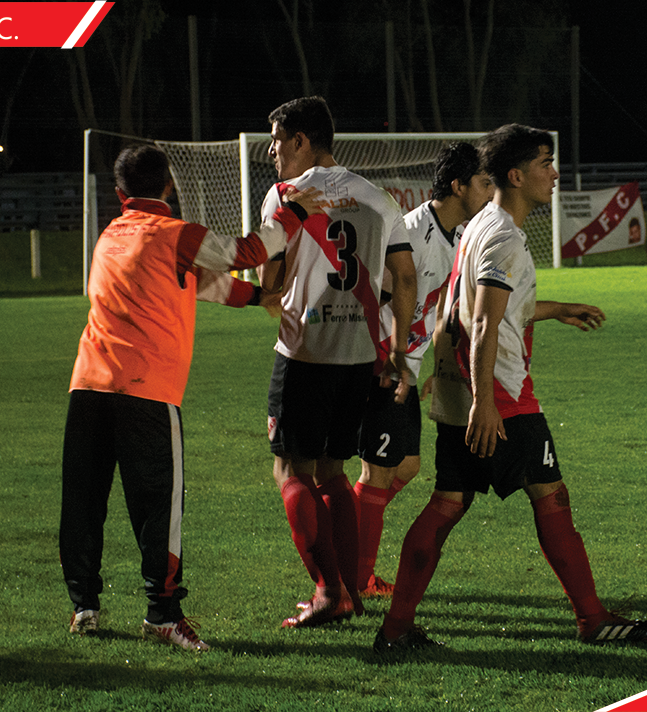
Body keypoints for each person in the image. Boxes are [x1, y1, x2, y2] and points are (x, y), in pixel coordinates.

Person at [374, 124, 647, 652]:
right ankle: (592, 619)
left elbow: (463, 309)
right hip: (500, 396)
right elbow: (483, 323)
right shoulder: (505, 237)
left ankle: (396, 628)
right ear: (516, 174)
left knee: (447, 503)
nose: (554, 174)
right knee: (551, 497)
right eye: (545, 163)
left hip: (464, 391)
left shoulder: (478, 225)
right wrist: (486, 403)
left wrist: (553, 312)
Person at [60, 144, 323, 651]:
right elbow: (246, 252)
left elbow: (196, 283)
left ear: (119, 194)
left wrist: (254, 298)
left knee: (83, 502)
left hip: (88, 385)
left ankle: (84, 606)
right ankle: (162, 613)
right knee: (160, 506)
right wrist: (294, 213)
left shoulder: (110, 236)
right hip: (146, 391)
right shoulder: (174, 234)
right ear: (169, 187)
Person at [258, 96, 417, 628]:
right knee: (333, 471)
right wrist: (396, 350)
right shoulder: (380, 199)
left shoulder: (285, 196)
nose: (272, 154)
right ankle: (350, 588)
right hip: (359, 357)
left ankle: (329, 592)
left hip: (304, 351)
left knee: (289, 470)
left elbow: (270, 281)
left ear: (302, 141)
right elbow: (405, 281)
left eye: (278, 142)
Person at [354, 142, 492, 599]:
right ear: (458, 186)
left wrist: (433, 363)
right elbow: (377, 297)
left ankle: (348, 542)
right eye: (483, 183)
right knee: (377, 473)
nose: (489, 192)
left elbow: (436, 308)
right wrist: (387, 360)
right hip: (381, 364)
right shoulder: (412, 232)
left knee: (407, 466)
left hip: (406, 366)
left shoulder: (458, 237)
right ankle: (353, 576)